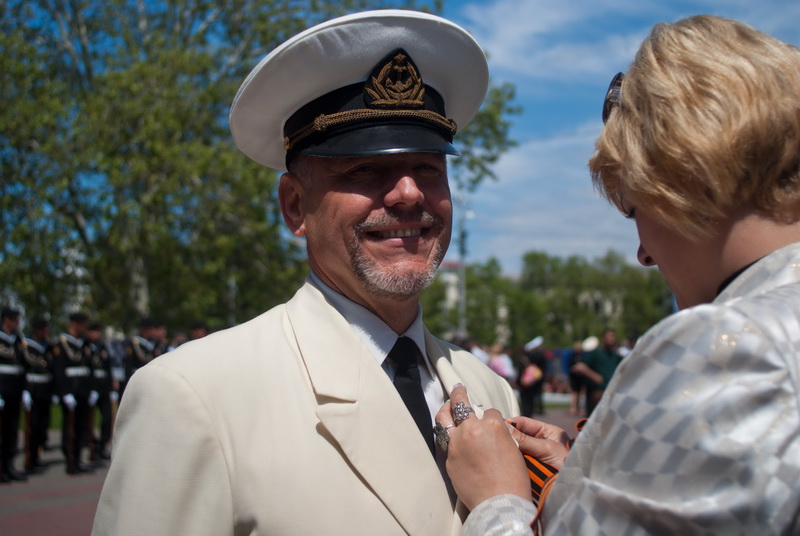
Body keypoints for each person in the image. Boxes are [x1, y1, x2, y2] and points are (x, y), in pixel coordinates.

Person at [92, 10, 518, 535]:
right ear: (295, 206)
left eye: (428, 167)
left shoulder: (490, 389)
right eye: (366, 168)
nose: (409, 193)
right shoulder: (193, 395)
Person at [437, 15, 800, 535]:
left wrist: (497, 498)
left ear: (683, 174)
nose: (643, 255)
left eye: (634, 210)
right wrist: (591, 479)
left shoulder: (726, 347)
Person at [52, 312, 96, 474]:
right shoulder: (62, 343)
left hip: (83, 390)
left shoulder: (84, 343)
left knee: (81, 427)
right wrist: (65, 392)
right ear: (75, 324)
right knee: (69, 428)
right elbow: (59, 370)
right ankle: (69, 459)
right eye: (82, 324)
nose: (84, 327)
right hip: (71, 390)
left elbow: (90, 368)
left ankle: (77, 459)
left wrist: (92, 389)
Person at [20, 317, 54, 473]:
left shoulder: (49, 346)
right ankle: (30, 457)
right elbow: (24, 368)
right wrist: (25, 390)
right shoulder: (27, 345)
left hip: (45, 390)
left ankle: (36, 456)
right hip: (33, 389)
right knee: (32, 426)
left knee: (43, 425)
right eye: (43, 328)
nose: (46, 331)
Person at [0, 306, 27, 482]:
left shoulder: (17, 340)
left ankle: (9, 466)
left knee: (12, 430)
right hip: (2, 389)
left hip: (14, 391)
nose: (17, 323)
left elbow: (22, 366)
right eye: (14, 319)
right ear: (6, 319)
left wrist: (25, 390)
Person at [572, 328, 621, 416]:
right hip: (598, 392)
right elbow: (580, 366)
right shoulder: (595, 353)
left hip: (611, 391)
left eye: (613, 336)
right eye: (609, 336)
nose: (611, 339)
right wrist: (594, 376)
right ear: (604, 338)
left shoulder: (616, 356)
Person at [86, 323, 115, 460]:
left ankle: (102, 445)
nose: (96, 334)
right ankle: (92, 444)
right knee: (87, 420)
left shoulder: (103, 347)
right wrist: (91, 388)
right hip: (90, 389)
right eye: (93, 331)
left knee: (107, 418)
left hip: (104, 388)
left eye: (98, 331)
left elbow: (108, 368)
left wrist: (111, 388)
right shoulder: (85, 347)